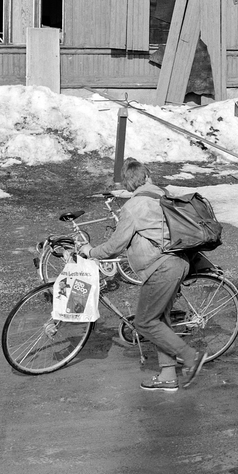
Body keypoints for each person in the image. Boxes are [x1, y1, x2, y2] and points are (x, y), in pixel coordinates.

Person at [80, 159, 207, 392]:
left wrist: (90, 252)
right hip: (179, 262)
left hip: (162, 268)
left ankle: (191, 357)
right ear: (147, 176)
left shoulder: (133, 207)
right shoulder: (164, 195)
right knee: (160, 320)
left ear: (128, 185)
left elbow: (114, 247)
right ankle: (168, 376)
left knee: (145, 322)